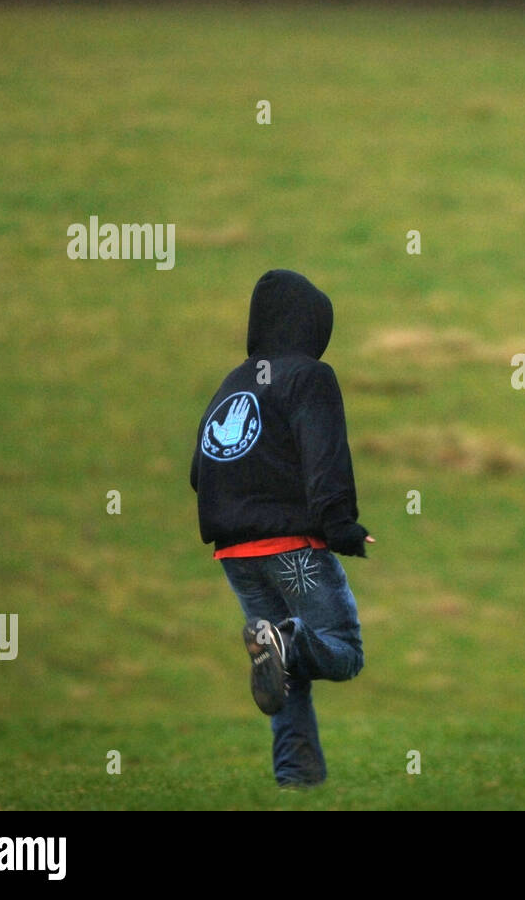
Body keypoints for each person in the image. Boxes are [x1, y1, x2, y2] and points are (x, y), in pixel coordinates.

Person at [190, 269, 373, 786]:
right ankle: (285, 644)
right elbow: (325, 459)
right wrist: (343, 528)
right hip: (293, 548)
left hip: (236, 554)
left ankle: (298, 780)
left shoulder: (234, 382)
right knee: (342, 651)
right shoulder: (310, 377)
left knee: (283, 670)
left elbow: (198, 471)